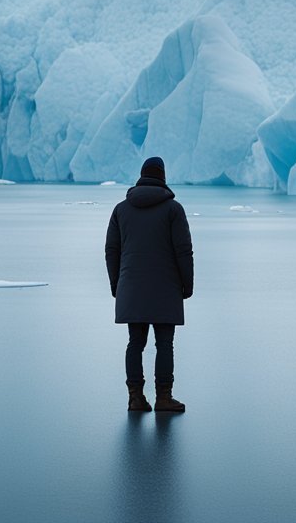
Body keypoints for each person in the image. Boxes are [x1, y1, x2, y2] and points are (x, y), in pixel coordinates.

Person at [105, 156, 194, 413]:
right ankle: (164, 398)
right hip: (166, 288)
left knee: (135, 342)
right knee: (164, 344)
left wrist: (117, 285)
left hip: (131, 286)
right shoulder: (173, 209)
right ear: (163, 177)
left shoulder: (121, 209)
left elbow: (112, 250)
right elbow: (183, 251)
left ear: (142, 175)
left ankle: (135, 398)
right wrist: (186, 286)